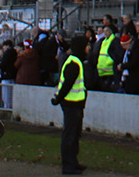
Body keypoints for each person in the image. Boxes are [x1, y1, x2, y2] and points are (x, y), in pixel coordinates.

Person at [53, 35, 88, 176]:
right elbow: (67, 85)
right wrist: (58, 99)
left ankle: (73, 162)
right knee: (70, 135)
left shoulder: (75, 61)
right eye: (87, 45)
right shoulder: (74, 63)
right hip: (71, 104)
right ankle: (68, 165)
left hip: (75, 104)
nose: (88, 48)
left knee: (74, 135)